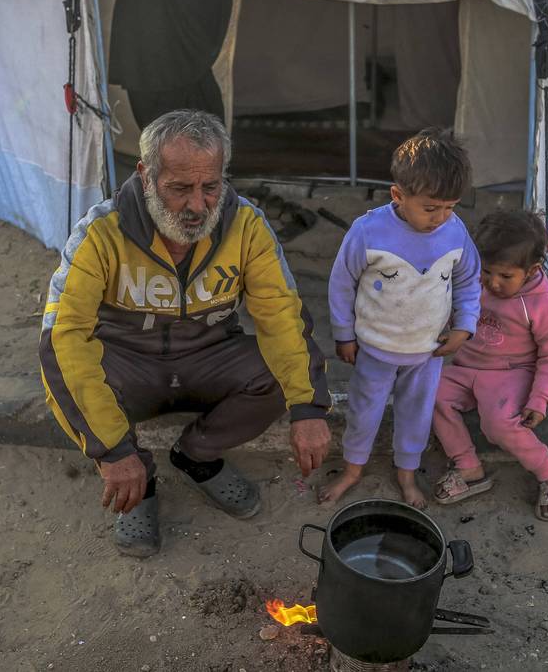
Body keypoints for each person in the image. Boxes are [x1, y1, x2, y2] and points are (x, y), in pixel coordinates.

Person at [39, 109, 332, 557]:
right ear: (146, 175)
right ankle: (142, 476)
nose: (198, 206)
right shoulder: (100, 232)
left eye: (210, 187)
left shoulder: (247, 225)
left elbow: (281, 316)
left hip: (210, 356)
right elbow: (64, 339)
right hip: (128, 364)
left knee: (279, 375)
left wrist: (309, 408)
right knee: (76, 373)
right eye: (179, 188)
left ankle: (196, 454)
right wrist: (113, 452)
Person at [320, 128, 481, 508]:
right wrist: (344, 334)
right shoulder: (368, 231)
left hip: (427, 354)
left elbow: (469, 279)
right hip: (374, 349)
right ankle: (353, 470)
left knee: (416, 416)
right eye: (430, 208)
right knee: (364, 412)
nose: (441, 217)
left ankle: (406, 475)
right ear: (398, 195)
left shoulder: (455, 232)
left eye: (450, 207)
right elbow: (341, 283)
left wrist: (464, 325)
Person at [430, 209, 548, 521]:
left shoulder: (541, 305)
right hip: (466, 367)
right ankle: (468, 467)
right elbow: (455, 313)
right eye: (487, 271)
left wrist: (541, 399)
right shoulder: (473, 283)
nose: (493, 283)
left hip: (511, 373)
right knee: (431, 395)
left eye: (506, 276)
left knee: (497, 424)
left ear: (532, 270)